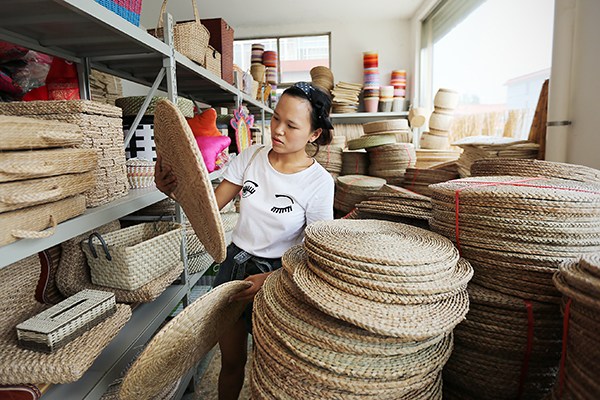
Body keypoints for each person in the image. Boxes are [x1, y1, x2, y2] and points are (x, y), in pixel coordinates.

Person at [154, 81, 335, 400]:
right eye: (276, 118)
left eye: (291, 125)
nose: (277, 130)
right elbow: (207, 208)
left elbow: (318, 251)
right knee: (232, 362)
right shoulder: (251, 157)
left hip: (282, 277)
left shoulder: (318, 183)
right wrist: (171, 189)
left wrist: (272, 278)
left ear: (314, 134)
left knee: (272, 367)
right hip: (233, 270)